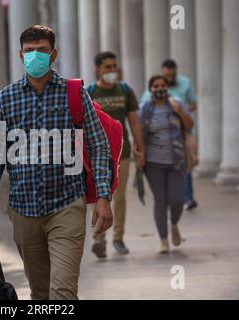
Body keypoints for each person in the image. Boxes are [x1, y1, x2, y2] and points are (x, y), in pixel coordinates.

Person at [0, 25, 113, 300]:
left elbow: (98, 144)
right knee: (40, 294)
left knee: (62, 292)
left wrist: (103, 196)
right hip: (23, 210)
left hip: (66, 205)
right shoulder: (6, 99)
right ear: (20, 55)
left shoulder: (74, 93)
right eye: (29, 51)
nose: (35, 56)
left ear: (53, 55)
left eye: (41, 50)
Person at [87, 52, 145, 258]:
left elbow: (134, 121)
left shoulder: (125, 91)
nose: (112, 70)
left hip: (123, 153)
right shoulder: (89, 92)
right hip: (97, 156)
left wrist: (140, 148)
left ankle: (118, 238)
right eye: (107, 67)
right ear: (98, 70)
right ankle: (99, 238)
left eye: (114, 66)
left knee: (119, 198)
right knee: (100, 196)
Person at [138, 75, 194, 254]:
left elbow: (189, 124)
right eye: (156, 86)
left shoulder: (176, 103)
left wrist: (180, 112)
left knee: (177, 200)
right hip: (153, 163)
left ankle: (174, 224)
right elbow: (139, 135)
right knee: (160, 200)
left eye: (163, 85)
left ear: (167, 87)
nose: (160, 88)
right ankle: (163, 240)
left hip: (176, 161)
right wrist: (139, 156)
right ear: (150, 89)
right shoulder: (144, 109)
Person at [141, 59, 198, 211]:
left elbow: (194, 103)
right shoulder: (149, 95)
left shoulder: (184, 85)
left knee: (185, 166)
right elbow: (143, 115)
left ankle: (188, 198)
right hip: (161, 142)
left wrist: (182, 111)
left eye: (172, 76)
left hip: (182, 134)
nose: (171, 78)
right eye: (168, 75)